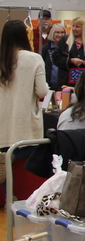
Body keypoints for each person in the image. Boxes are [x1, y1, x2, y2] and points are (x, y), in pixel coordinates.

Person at [0, 20, 48, 149]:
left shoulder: (3, 58)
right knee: (24, 160)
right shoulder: (34, 59)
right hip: (25, 124)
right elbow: (42, 91)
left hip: (3, 124)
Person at [62, 16, 85, 85]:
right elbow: (56, 58)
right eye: (73, 26)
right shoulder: (65, 40)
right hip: (67, 81)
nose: (74, 29)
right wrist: (70, 60)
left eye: (77, 27)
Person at [41, 23, 67, 91]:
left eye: (62, 32)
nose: (60, 35)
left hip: (63, 85)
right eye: (57, 32)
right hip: (48, 85)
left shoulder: (68, 48)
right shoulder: (45, 49)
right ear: (52, 33)